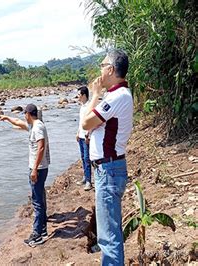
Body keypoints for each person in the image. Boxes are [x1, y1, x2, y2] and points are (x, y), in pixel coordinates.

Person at [82, 49, 133, 265]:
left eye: (102, 66)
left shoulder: (118, 96)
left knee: (109, 237)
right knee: (108, 233)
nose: (100, 71)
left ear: (111, 69)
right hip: (108, 169)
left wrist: (94, 94)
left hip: (109, 170)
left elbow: (86, 123)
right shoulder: (115, 96)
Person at [0, 104, 51, 247]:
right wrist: (7, 118)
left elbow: (41, 147)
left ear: (28, 114)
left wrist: (34, 169)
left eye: (24, 114)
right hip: (39, 168)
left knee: (37, 202)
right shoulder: (34, 125)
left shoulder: (38, 127)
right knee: (39, 199)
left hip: (38, 169)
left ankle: (37, 235)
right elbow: (19, 123)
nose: (24, 117)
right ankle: (43, 230)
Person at [76, 86, 92, 191]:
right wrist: (78, 132)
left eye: (79, 95)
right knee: (83, 157)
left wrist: (88, 135)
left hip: (86, 136)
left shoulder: (89, 107)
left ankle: (89, 181)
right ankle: (85, 177)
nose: (77, 97)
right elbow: (81, 121)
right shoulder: (82, 106)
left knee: (87, 159)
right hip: (81, 136)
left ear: (84, 95)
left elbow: (90, 122)